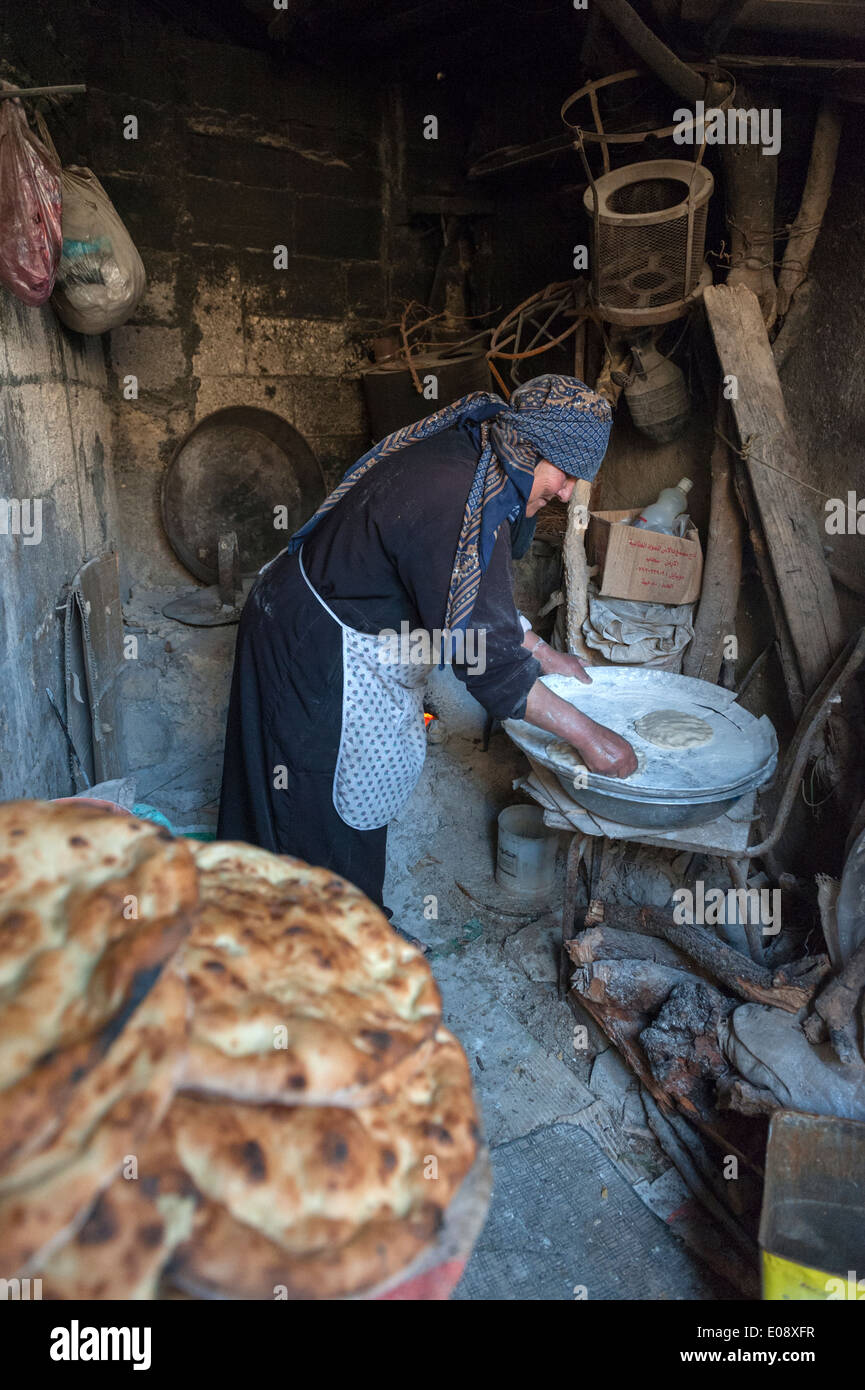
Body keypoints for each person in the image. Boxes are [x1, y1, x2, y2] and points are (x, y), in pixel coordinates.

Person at [217, 374, 637, 918]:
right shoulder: (457, 495)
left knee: (325, 803)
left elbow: (470, 587)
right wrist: (591, 737)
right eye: (565, 476)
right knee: (321, 805)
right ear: (532, 446)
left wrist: (541, 649)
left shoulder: (486, 452)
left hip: (321, 611)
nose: (564, 493)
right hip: (315, 640)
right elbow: (483, 660)